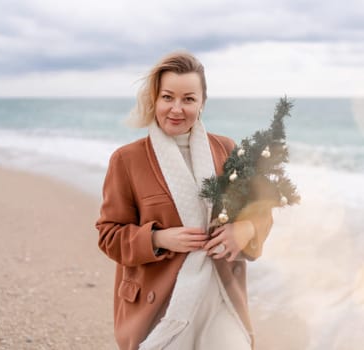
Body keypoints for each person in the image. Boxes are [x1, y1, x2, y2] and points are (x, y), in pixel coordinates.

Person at [96, 51, 273, 350]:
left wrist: (245, 230)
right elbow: (108, 234)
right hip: (161, 302)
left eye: (188, 99)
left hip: (221, 293)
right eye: (168, 97)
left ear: (202, 102)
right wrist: (159, 238)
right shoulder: (127, 160)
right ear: (155, 99)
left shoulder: (226, 149)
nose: (176, 109)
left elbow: (261, 210)